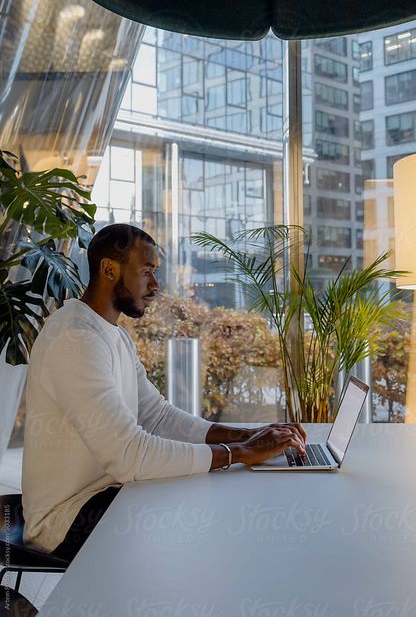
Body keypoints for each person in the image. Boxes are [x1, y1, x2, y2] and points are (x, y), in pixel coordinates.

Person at [21, 223, 307, 561]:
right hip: (67, 519)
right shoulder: (76, 338)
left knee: (206, 495)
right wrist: (239, 452)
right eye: (147, 272)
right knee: (200, 524)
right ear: (109, 270)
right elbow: (130, 457)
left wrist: (249, 436)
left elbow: (157, 416)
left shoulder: (112, 335)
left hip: (109, 492)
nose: (156, 285)